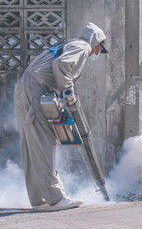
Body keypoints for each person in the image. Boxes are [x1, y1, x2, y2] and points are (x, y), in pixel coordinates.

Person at [14, 22, 108, 211]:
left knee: (32, 146)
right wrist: (68, 91)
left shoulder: (69, 44)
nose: (97, 53)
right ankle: (55, 198)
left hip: (23, 89)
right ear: (96, 42)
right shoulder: (83, 46)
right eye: (100, 49)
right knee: (44, 143)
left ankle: (39, 199)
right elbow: (61, 64)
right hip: (35, 91)